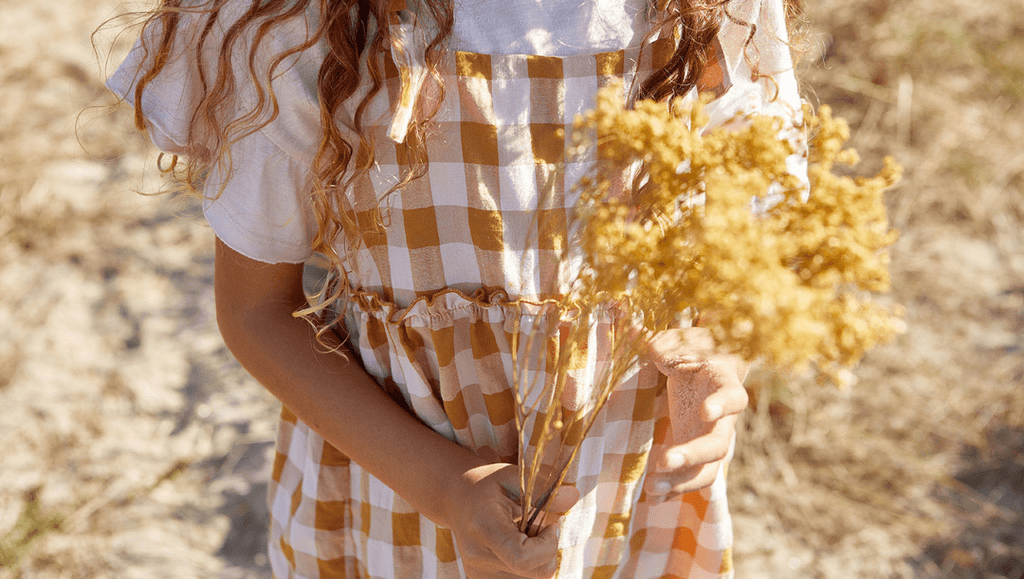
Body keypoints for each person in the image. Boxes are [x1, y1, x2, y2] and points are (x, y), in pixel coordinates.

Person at [107, 0, 803, 576]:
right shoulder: (314, 21)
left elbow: (744, 235)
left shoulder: (709, 9)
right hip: (400, 491)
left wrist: (719, 355)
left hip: (619, 488)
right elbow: (256, 309)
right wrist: (445, 485)